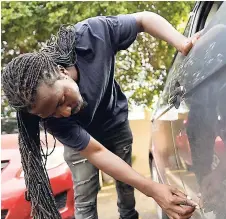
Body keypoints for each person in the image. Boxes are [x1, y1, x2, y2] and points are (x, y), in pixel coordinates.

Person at [2, 12, 200, 219]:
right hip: (83, 145)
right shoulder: (47, 115)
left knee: (127, 189)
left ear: (61, 71)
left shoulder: (92, 36)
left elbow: (143, 19)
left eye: (61, 100)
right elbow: (95, 152)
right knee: (85, 197)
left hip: (115, 123)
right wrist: (153, 189)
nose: (66, 112)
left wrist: (183, 43)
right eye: (53, 113)